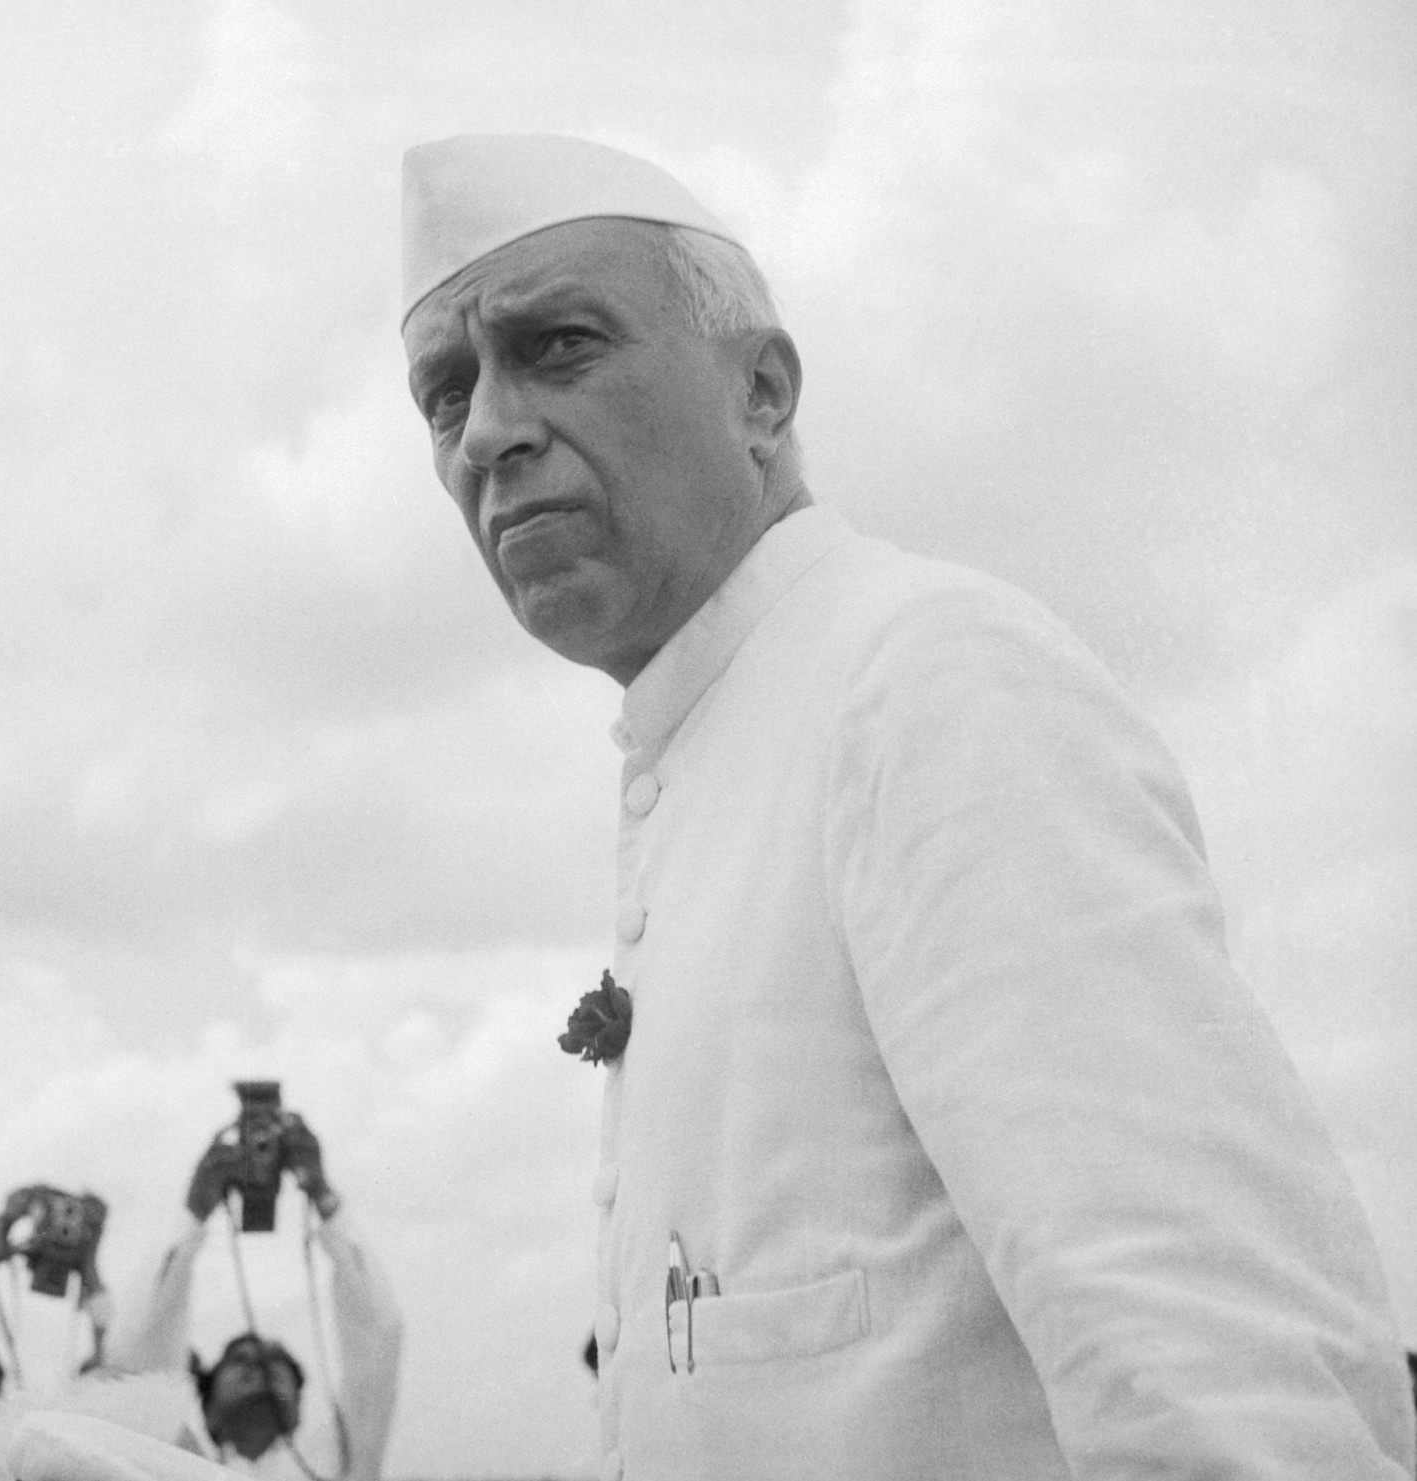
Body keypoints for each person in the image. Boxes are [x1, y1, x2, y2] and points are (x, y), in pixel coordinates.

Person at [399, 132, 1415, 1480]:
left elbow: (1218, 1373)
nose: (488, 431)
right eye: (445, 393)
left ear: (761, 393)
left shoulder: (922, 677)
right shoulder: (713, 750)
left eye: (559, 347)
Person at [105, 1114, 401, 1479]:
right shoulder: (168, 1458)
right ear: (207, 1407)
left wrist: (324, 1198)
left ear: (299, 1409)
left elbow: (379, 1338)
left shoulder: (339, 1461)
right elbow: (137, 1356)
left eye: (278, 1363)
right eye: (240, 1359)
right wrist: (194, 1212)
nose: (260, 1366)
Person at [0, 1188, 110, 1381]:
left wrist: (2, 1237)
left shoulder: (81, 1251)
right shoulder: (79, 1253)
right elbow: (97, 1294)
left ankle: (99, 1357)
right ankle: (99, 1356)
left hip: (33, 1226)